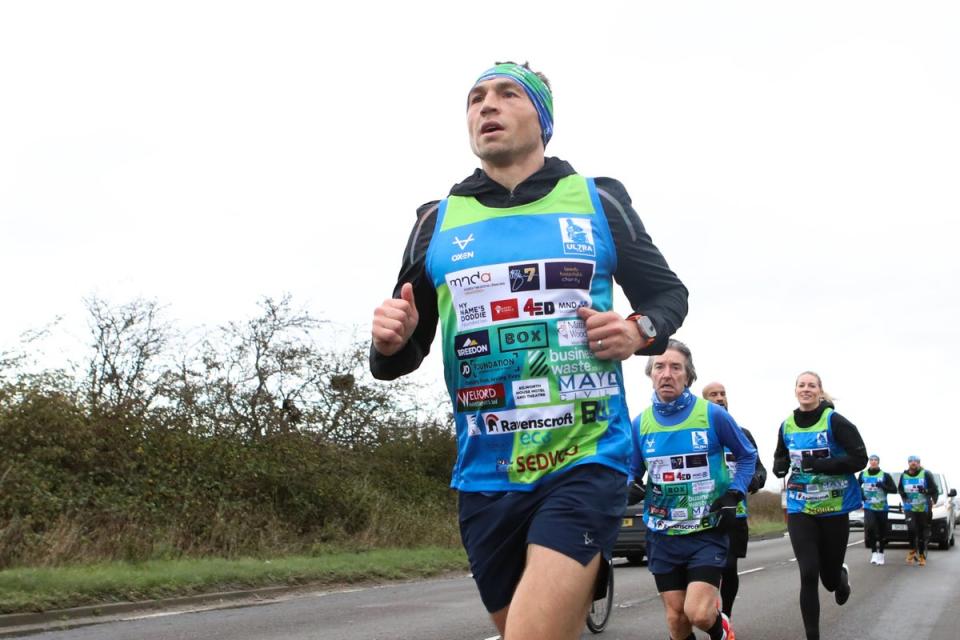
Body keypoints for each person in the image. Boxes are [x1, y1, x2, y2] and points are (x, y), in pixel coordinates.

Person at [369, 61, 689, 640]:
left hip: (585, 457)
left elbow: (667, 295)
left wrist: (639, 330)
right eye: (474, 98)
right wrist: (388, 340)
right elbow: (400, 356)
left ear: (541, 119)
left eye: (506, 93)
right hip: (486, 474)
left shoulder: (596, 201)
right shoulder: (435, 222)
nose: (485, 106)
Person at [632, 342, 757, 640]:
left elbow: (747, 455)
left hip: (706, 530)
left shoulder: (713, 415)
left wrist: (734, 493)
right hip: (662, 534)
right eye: (659, 367)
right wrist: (630, 486)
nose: (667, 374)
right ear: (650, 375)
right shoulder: (640, 424)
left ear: (688, 376)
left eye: (676, 368)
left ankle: (721, 628)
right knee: (676, 619)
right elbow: (632, 471)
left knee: (698, 613)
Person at [772, 372, 867, 640]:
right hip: (801, 506)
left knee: (828, 579)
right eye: (801, 385)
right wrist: (779, 466)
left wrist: (823, 465)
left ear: (819, 391)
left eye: (811, 385)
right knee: (808, 572)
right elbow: (780, 456)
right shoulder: (786, 425)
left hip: (834, 507)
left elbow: (859, 458)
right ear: (795, 391)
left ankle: (840, 577)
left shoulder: (835, 421)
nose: (806, 389)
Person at [701, 381, 767, 619]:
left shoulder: (742, 433)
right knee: (706, 570)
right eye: (713, 395)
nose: (720, 398)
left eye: (722, 394)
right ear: (703, 401)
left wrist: (754, 481)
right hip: (703, 514)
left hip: (735, 513)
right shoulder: (696, 433)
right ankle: (707, 612)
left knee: (728, 568)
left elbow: (759, 468)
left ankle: (724, 616)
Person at [898, 454, 939, 567]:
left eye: (916, 461)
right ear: (908, 463)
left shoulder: (925, 474)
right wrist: (905, 498)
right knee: (911, 529)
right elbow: (900, 489)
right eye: (911, 461)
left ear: (919, 463)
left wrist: (926, 491)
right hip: (909, 507)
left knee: (921, 532)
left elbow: (934, 489)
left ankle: (921, 555)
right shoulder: (904, 475)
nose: (913, 463)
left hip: (923, 507)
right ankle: (912, 550)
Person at [857, 454, 896, 565]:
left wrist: (883, 486)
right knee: (870, 528)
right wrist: (862, 497)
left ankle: (881, 553)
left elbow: (893, 489)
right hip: (869, 506)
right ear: (869, 462)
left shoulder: (885, 475)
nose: (873, 462)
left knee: (882, 531)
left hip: (882, 507)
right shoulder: (863, 474)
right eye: (872, 460)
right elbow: (856, 486)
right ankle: (874, 552)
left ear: (878, 462)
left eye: (875, 460)